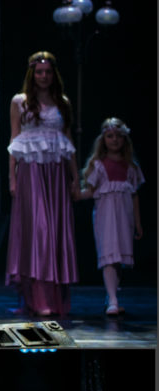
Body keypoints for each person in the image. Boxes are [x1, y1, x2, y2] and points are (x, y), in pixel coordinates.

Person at [4, 50, 79, 316]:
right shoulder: (20, 102)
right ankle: (36, 298)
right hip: (32, 172)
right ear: (32, 74)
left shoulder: (63, 102)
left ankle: (52, 297)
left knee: (55, 231)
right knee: (38, 231)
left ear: (54, 74)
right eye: (39, 72)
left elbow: (68, 142)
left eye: (47, 72)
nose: (43, 76)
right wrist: (12, 177)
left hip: (56, 173)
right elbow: (14, 140)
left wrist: (75, 177)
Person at [79, 118, 144, 316]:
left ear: (124, 139)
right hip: (105, 217)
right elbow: (90, 191)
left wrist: (138, 223)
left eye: (118, 136)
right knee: (109, 254)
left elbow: (134, 196)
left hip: (124, 217)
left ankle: (112, 296)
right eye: (110, 136)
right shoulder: (99, 165)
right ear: (103, 139)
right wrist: (74, 195)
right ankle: (113, 301)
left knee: (119, 257)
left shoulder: (131, 167)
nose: (114, 140)